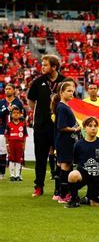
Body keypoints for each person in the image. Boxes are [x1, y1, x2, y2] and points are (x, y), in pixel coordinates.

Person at [27, 55, 66, 197]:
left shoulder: (64, 81)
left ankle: (60, 187)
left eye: (45, 65)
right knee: (40, 157)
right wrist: (41, 113)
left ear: (54, 67)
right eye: (42, 65)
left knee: (60, 158)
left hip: (59, 126)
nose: (42, 67)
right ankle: (39, 186)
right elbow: (31, 101)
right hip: (41, 126)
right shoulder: (38, 82)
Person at [65, 116, 99, 208]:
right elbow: (76, 161)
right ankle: (74, 200)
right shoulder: (78, 145)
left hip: (97, 176)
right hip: (84, 174)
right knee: (72, 175)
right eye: (90, 126)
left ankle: (88, 198)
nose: (93, 128)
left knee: (95, 205)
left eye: (95, 126)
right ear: (84, 128)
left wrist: (98, 171)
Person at [52, 81, 81, 203]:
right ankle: (64, 195)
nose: (71, 93)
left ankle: (59, 193)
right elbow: (61, 126)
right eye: (68, 90)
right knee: (65, 166)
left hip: (66, 141)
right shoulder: (62, 107)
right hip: (65, 141)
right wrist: (75, 129)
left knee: (63, 166)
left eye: (72, 90)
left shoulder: (64, 106)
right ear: (61, 92)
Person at [0, 83, 25, 179]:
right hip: (3, 130)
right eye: (6, 89)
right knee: (2, 152)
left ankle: (18, 174)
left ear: (14, 90)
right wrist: (7, 110)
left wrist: (16, 116)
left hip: (16, 131)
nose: (7, 90)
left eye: (9, 89)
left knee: (18, 152)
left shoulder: (18, 102)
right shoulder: (2, 102)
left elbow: (23, 116)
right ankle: (2, 174)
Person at [4, 106, 27, 181]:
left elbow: (24, 136)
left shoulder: (23, 125)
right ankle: (12, 175)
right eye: (14, 113)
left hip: (19, 145)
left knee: (18, 160)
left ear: (20, 114)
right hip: (11, 144)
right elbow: (6, 136)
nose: (16, 114)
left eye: (17, 113)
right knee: (11, 159)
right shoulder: (9, 125)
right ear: (11, 114)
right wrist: (7, 145)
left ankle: (17, 175)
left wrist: (24, 145)